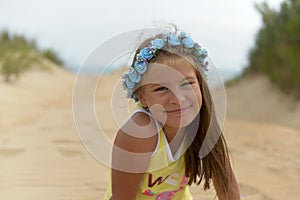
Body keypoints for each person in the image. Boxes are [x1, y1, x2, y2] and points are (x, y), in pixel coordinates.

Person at [104, 27, 240, 200]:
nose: (178, 99)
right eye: (161, 88)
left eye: (186, 84)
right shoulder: (140, 134)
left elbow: (228, 190)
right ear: (142, 97)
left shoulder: (203, 126)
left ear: (199, 83)